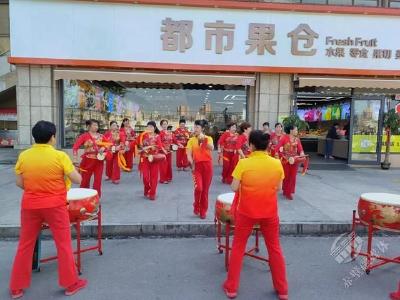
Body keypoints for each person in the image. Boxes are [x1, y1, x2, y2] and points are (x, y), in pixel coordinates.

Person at [9, 121, 87, 299]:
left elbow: (19, 183)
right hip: (55, 206)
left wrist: (37, 191)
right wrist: (74, 169)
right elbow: (77, 180)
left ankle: (16, 287)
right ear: (53, 137)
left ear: (34, 137)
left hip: (30, 205)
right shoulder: (60, 156)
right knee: (63, 245)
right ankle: (70, 284)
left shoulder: (24, 155)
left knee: (25, 245)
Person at [223, 130, 288, 300]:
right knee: (275, 249)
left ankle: (231, 288)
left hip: (247, 212)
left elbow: (234, 188)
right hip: (269, 213)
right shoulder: (276, 164)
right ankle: (282, 290)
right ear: (267, 145)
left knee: (238, 248)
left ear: (251, 145)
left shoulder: (244, 163)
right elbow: (279, 188)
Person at [72, 119, 109, 198]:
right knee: (85, 180)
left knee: (98, 181)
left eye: (97, 125)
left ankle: (96, 198)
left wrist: (103, 147)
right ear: (89, 126)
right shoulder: (84, 136)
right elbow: (75, 147)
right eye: (94, 125)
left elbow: (108, 144)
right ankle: (83, 197)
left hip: (99, 161)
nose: (96, 127)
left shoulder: (101, 136)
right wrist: (75, 158)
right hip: (87, 161)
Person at [186, 120, 214, 219]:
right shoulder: (191, 140)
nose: (195, 129)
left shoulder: (208, 138)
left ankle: (203, 210)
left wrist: (203, 141)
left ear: (202, 129)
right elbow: (189, 154)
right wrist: (190, 162)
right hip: (197, 166)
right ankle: (196, 206)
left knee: (205, 190)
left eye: (197, 127)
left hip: (208, 166)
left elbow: (211, 148)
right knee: (199, 188)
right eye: (195, 127)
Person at [137, 121, 166, 200]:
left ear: (155, 128)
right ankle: (147, 189)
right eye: (148, 126)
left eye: (151, 127)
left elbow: (159, 147)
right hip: (145, 158)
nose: (149, 128)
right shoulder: (142, 136)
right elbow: (139, 147)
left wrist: (155, 147)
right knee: (145, 177)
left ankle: (152, 193)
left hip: (154, 159)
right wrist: (146, 147)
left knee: (154, 177)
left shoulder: (157, 137)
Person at [276, 125, 305, 200]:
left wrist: (302, 153)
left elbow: (300, 149)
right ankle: (285, 190)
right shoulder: (284, 138)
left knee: (293, 177)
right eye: (296, 130)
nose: (297, 131)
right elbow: (278, 148)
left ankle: (289, 192)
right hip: (286, 161)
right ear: (291, 131)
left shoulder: (297, 139)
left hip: (294, 161)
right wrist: (282, 156)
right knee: (286, 177)